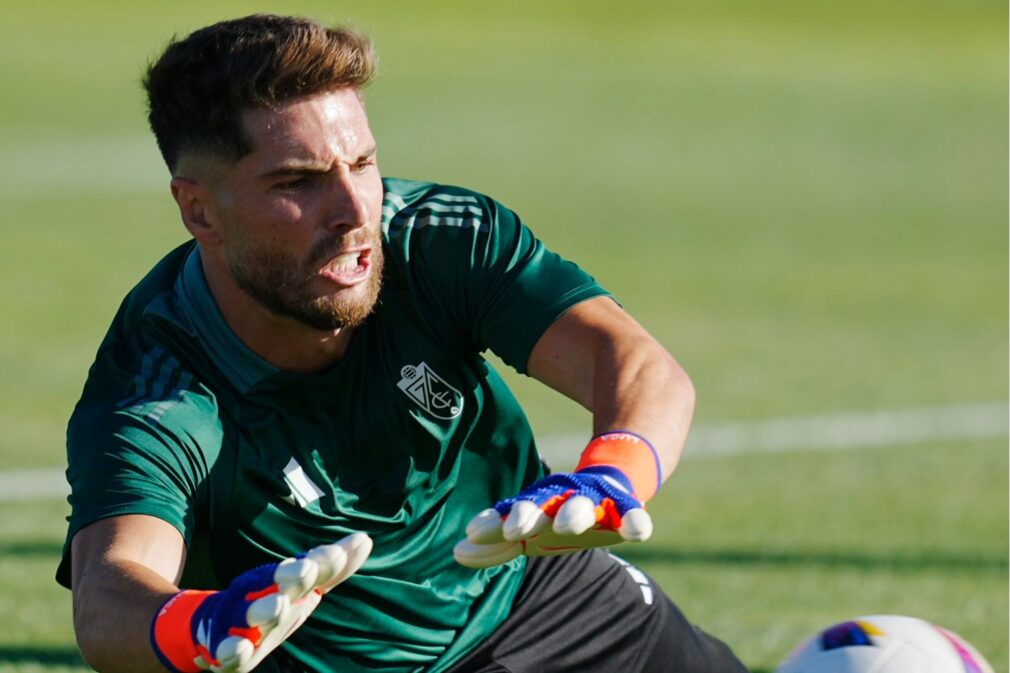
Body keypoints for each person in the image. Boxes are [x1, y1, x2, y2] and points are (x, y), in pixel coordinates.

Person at [57, 13, 748, 673]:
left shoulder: (436, 238)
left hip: (540, 591)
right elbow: (110, 590)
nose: (355, 212)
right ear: (198, 208)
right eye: (297, 182)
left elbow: (631, 364)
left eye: (361, 162)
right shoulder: (159, 385)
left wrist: (611, 478)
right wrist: (197, 626)